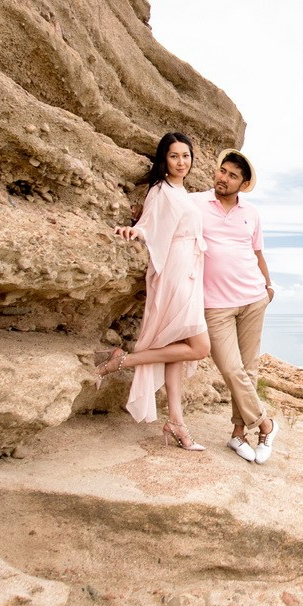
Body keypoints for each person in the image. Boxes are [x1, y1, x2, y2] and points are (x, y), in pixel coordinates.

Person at [95, 131, 212, 451]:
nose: (181, 162)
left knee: (179, 345)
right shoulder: (161, 190)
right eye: (174, 156)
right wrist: (133, 230)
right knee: (200, 346)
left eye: (186, 156)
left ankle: (177, 423)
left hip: (190, 270)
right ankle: (119, 363)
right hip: (175, 271)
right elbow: (149, 224)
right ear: (164, 159)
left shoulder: (184, 192)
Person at [201, 149, 278, 463]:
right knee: (232, 370)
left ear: (242, 183)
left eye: (232, 175)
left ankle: (237, 434)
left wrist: (268, 286)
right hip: (215, 304)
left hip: (252, 298)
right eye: (222, 171)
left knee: (248, 370)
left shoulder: (252, 214)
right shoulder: (196, 203)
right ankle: (266, 424)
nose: (224, 178)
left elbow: (257, 253)